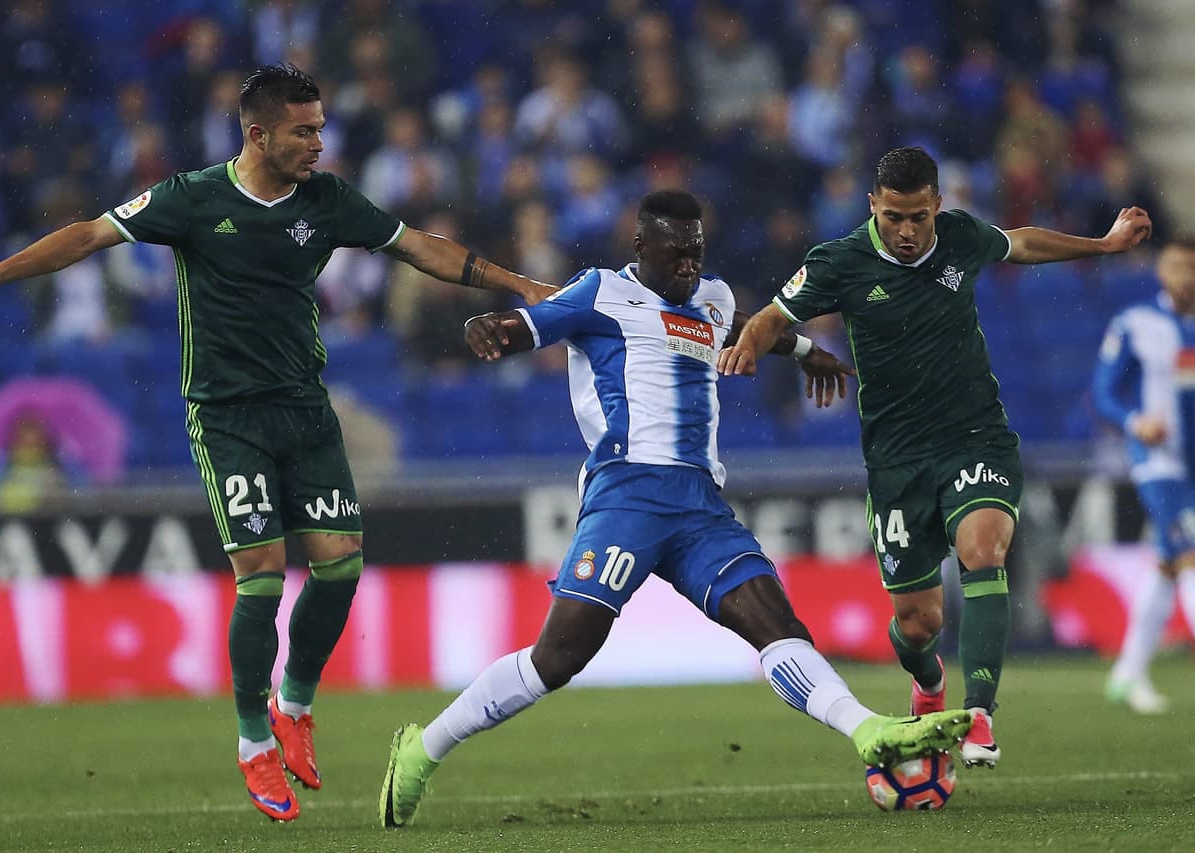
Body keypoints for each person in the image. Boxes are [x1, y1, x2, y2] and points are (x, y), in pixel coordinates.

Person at [0, 63, 554, 823]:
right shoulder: (192, 197)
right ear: (258, 133)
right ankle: (253, 740)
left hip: (304, 408)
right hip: (228, 414)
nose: (319, 142)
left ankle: (294, 702)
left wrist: (514, 282)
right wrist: (0, 272)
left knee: (340, 565)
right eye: (304, 130)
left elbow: (416, 246)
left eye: (321, 127)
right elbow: (90, 234)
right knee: (261, 575)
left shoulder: (327, 202)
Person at [378, 189, 974, 829]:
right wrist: (490, 329)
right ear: (641, 247)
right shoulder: (598, 292)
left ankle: (867, 732)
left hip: (698, 505)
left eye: (696, 251)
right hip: (626, 493)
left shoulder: (712, 298)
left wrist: (806, 353)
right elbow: (527, 325)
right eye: (675, 254)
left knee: (777, 626)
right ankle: (423, 748)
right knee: (558, 659)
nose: (688, 265)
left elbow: (748, 326)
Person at [720, 146, 1153, 769]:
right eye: (894, 216)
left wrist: (1104, 244)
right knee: (918, 625)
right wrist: (753, 348)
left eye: (918, 216)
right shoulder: (839, 262)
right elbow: (768, 316)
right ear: (874, 205)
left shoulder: (960, 238)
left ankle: (979, 714)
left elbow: (1022, 244)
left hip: (974, 437)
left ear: (937, 206)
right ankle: (929, 686)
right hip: (897, 460)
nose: (906, 230)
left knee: (984, 549)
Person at [1093, 235, 1195, 714]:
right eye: (1176, 266)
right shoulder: (1135, 324)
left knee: (1168, 561)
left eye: (1191, 267)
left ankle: (1127, 673)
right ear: (1161, 270)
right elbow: (1104, 392)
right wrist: (1137, 421)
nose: (1185, 277)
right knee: (1190, 551)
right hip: (1159, 460)